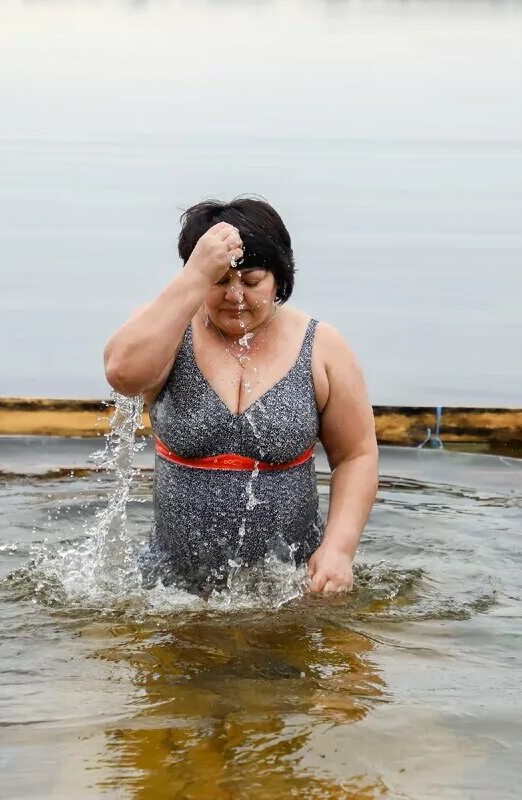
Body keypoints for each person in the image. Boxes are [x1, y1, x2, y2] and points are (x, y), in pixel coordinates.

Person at [103, 197, 378, 596]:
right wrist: (196, 274)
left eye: (251, 282)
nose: (235, 297)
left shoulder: (322, 346)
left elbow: (357, 455)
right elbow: (123, 375)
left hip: (291, 585)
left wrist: (339, 550)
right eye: (219, 282)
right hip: (169, 592)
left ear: (278, 279)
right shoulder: (167, 328)